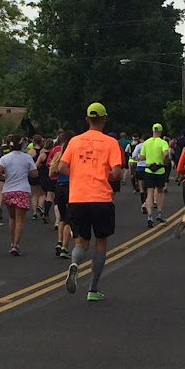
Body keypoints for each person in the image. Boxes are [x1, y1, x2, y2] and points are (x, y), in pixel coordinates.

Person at [58, 102, 122, 301]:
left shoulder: (74, 141)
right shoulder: (111, 143)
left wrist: (78, 175)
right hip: (101, 198)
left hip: (78, 198)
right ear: (104, 119)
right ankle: (93, 289)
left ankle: (75, 264)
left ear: (87, 119)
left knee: (80, 241)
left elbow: (61, 166)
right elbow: (116, 172)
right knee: (100, 242)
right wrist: (107, 176)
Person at [0, 134, 39, 256]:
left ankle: (12, 242)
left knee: (12, 218)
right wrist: (27, 172)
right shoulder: (27, 158)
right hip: (22, 190)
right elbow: (35, 173)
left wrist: (3, 177)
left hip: (8, 190)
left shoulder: (5, 158)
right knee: (20, 219)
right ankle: (16, 244)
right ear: (22, 145)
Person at [49, 130, 75, 259]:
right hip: (71, 186)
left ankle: (59, 241)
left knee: (62, 217)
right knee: (70, 218)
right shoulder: (74, 155)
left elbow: (51, 173)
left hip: (59, 186)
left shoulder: (58, 155)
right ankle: (65, 247)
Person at [140, 123, 170, 228]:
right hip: (160, 169)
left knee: (149, 193)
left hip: (149, 169)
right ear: (160, 132)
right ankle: (159, 213)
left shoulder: (146, 143)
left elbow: (142, 157)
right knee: (160, 191)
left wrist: (149, 156)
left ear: (153, 131)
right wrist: (164, 161)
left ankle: (149, 216)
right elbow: (166, 154)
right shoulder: (163, 142)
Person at [36, 137, 57, 224]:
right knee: (50, 196)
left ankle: (41, 206)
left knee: (43, 194)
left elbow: (36, 165)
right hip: (51, 176)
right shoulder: (54, 155)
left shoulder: (42, 155)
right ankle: (46, 212)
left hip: (43, 177)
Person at [27, 134, 45, 220]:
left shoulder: (30, 152)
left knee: (34, 193)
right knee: (42, 193)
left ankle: (34, 212)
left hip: (33, 173)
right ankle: (40, 205)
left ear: (33, 141)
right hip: (42, 173)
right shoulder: (44, 151)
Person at [133, 134, 148, 214]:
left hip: (140, 167)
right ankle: (147, 203)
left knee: (141, 188)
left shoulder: (139, 146)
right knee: (148, 188)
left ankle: (143, 203)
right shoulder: (150, 146)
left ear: (142, 139)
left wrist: (139, 159)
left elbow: (134, 156)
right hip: (149, 167)